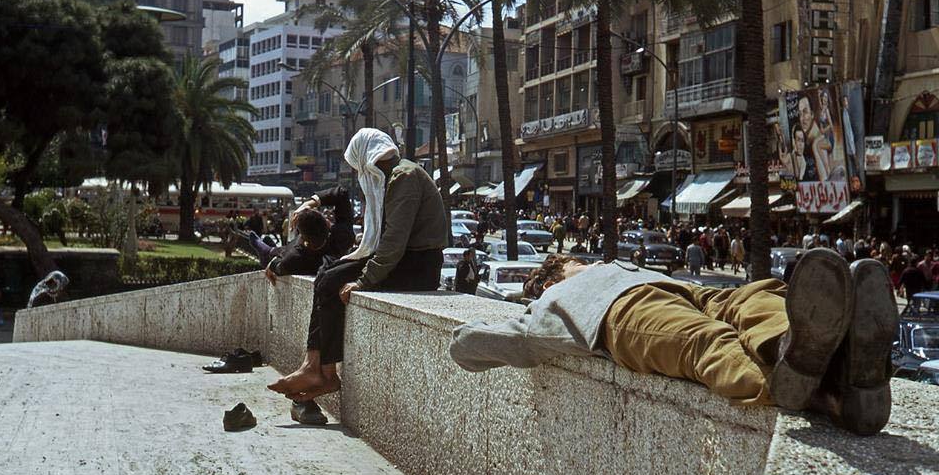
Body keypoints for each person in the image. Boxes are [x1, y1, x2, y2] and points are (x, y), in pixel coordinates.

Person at [450, 250, 898, 435]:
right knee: (704, 343)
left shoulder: (620, 265)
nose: (581, 261)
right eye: (570, 261)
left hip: (686, 290)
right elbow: (482, 345)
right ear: (555, 273)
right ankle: (830, 393)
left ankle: (791, 346)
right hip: (621, 312)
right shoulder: (552, 300)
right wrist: (466, 337)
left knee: (759, 294)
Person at [268, 129, 448, 403]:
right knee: (326, 274)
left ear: (366, 159)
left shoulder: (404, 177)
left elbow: (394, 240)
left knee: (330, 280)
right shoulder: (393, 176)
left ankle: (322, 371)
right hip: (407, 260)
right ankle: (316, 366)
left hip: (417, 266)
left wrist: (365, 280)